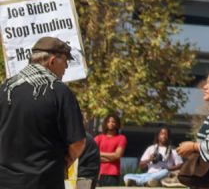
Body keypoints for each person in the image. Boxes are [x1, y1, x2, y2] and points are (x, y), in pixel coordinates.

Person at [0, 36, 86, 189]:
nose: (66, 67)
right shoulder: (60, 92)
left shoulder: (5, 88)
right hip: (44, 181)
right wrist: (66, 161)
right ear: (52, 61)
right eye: (65, 61)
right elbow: (78, 143)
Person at [96, 114, 127, 186]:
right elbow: (94, 155)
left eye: (113, 122)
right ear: (105, 123)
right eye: (108, 121)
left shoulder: (121, 138)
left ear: (117, 124)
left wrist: (100, 153)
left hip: (113, 174)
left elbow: (118, 155)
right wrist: (112, 158)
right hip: (99, 173)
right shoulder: (98, 138)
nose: (111, 123)